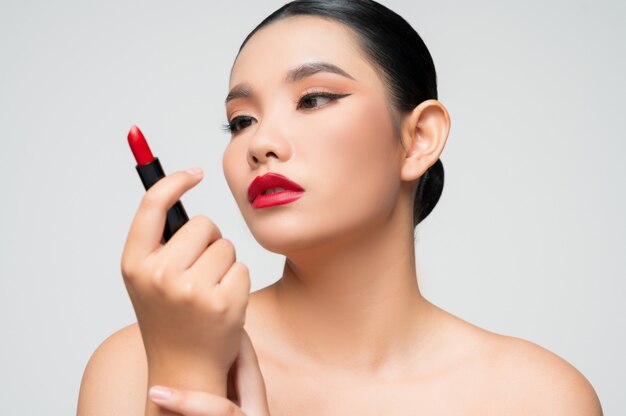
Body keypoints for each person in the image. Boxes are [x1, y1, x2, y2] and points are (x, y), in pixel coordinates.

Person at [77, 1, 603, 415]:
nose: (261, 143)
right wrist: (187, 370)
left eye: (314, 98)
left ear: (420, 138)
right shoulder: (136, 366)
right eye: (241, 121)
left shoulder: (539, 397)